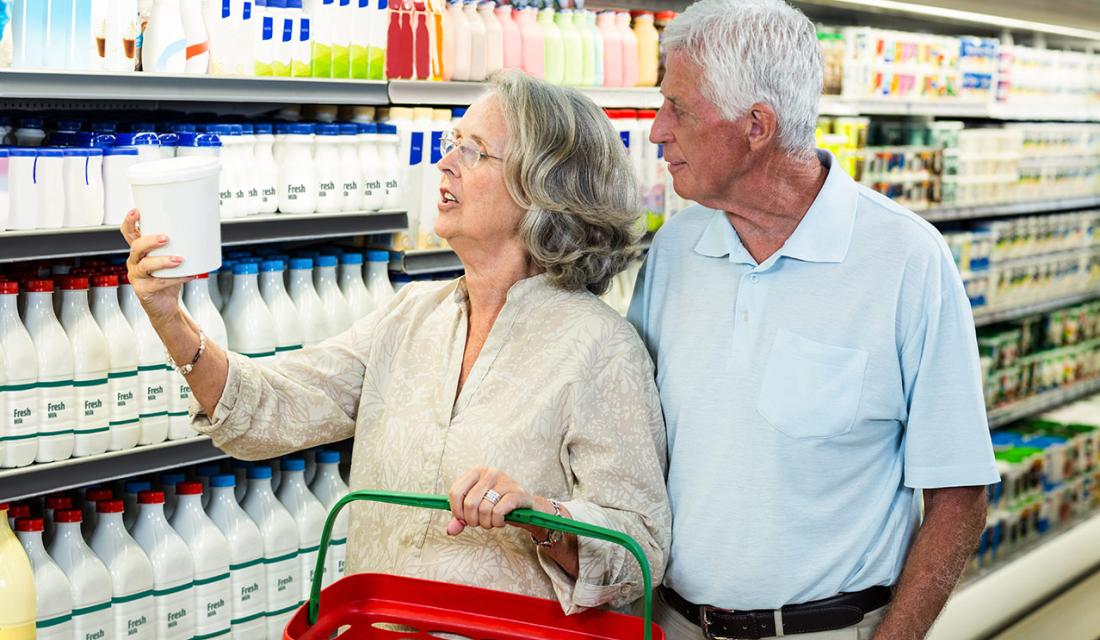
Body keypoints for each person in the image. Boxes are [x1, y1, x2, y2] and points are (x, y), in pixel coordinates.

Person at [121, 70, 670, 614]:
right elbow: (270, 409)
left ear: (544, 187)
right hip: (378, 624)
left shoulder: (601, 348)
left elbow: (640, 544)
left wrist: (544, 517)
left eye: (474, 151)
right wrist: (170, 317)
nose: (444, 162)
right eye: (452, 143)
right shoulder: (411, 317)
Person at [627, 1, 999, 638]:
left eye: (678, 109)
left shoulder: (905, 260)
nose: (657, 130)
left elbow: (959, 494)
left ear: (757, 126)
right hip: (673, 624)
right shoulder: (675, 250)